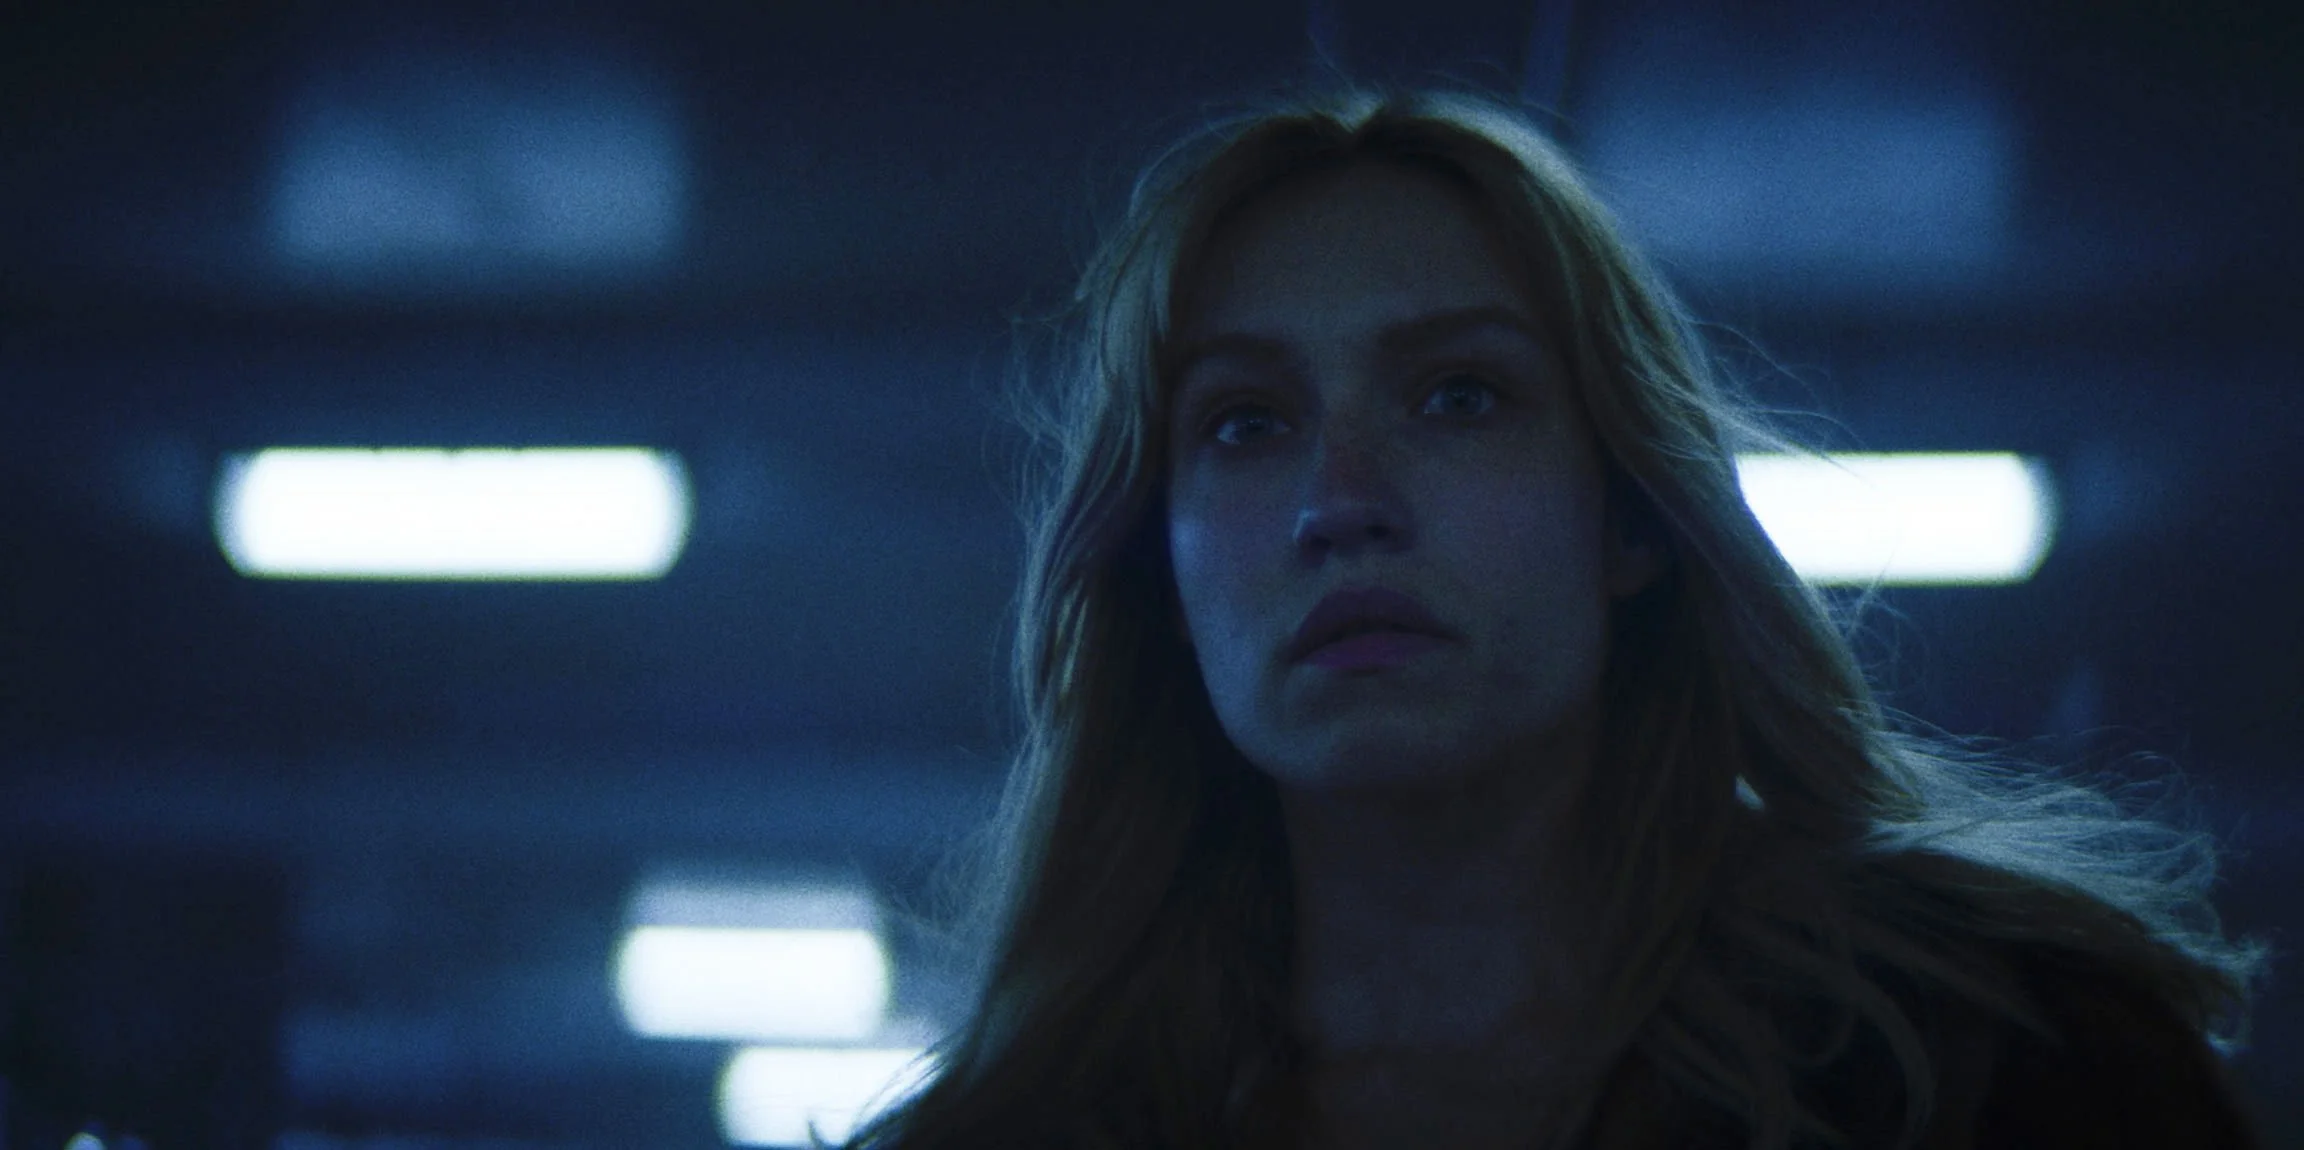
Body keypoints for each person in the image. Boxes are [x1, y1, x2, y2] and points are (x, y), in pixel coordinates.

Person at [848, 87, 2271, 1149]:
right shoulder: (1017, 1133)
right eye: (1245, 421)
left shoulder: (1999, 1061)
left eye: (1457, 395)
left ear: (1632, 520)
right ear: (1157, 564)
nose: (1337, 502)